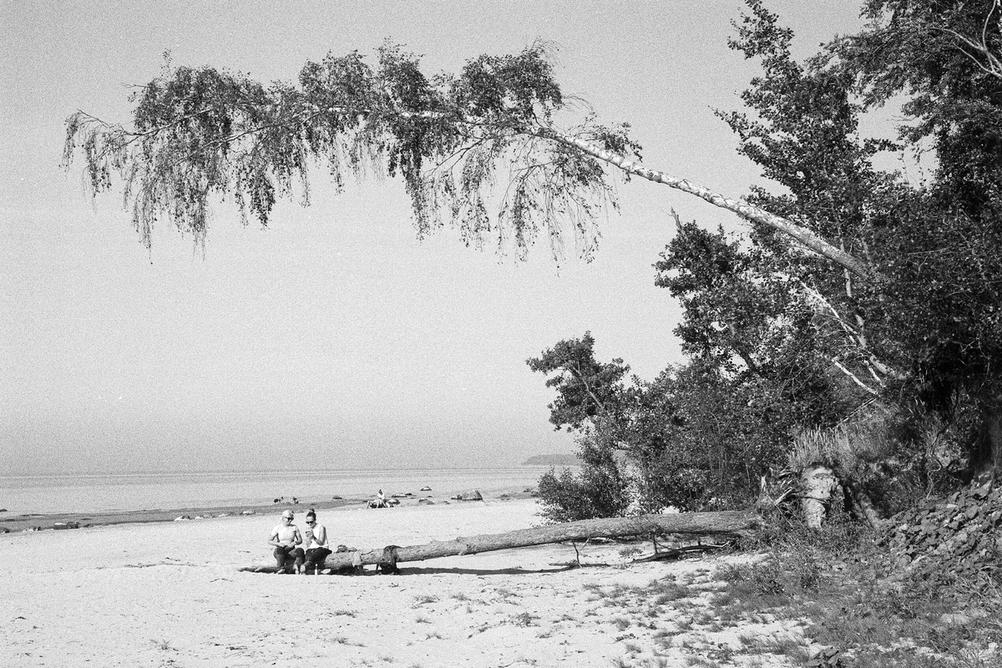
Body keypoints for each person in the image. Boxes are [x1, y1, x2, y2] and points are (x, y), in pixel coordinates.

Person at [268, 509, 304, 574]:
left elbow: (300, 540)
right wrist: (278, 544)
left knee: (300, 550)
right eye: (288, 518)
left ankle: (297, 567)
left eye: (291, 519)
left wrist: (294, 542)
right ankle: (280, 568)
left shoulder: (294, 527)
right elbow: (269, 541)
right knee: (280, 550)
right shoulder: (277, 528)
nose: (290, 520)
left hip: (291, 550)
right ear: (283, 518)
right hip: (280, 550)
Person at [301, 508, 332, 575]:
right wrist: (308, 538)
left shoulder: (321, 527)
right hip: (312, 548)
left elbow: (321, 542)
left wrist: (313, 537)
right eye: (307, 522)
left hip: (322, 548)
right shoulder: (308, 528)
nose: (309, 524)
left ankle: (307, 566)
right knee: (308, 556)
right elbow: (308, 545)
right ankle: (319, 571)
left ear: (315, 520)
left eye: (311, 522)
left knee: (312, 557)